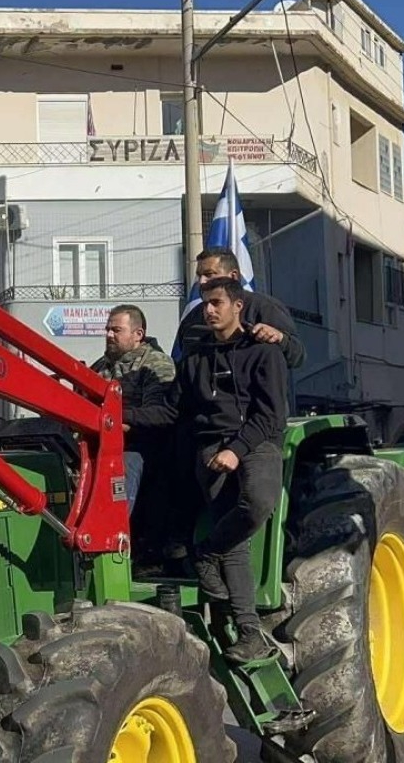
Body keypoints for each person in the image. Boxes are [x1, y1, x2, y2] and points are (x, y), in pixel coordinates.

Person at [125, 277, 288, 664]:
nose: (209, 310)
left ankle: (205, 552)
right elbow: (170, 411)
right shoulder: (194, 359)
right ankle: (248, 632)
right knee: (236, 544)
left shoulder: (263, 353)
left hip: (258, 442)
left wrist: (237, 449)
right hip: (211, 448)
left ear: (237, 307)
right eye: (204, 304)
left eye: (216, 302)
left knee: (258, 503)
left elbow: (272, 415)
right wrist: (120, 416)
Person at [90, 304, 175, 513]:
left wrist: (117, 423)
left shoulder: (155, 364)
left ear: (138, 334)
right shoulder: (100, 366)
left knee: (122, 468)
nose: (109, 335)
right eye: (108, 330)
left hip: (140, 446)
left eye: (116, 330)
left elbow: (157, 414)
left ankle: (114, 532)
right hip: (100, 439)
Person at [174, 247, 306, 370]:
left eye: (209, 274)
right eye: (199, 275)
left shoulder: (263, 307)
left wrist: (280, 338)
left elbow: (297, 356)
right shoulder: (193, 317)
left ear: (233, 276)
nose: (202, 281)